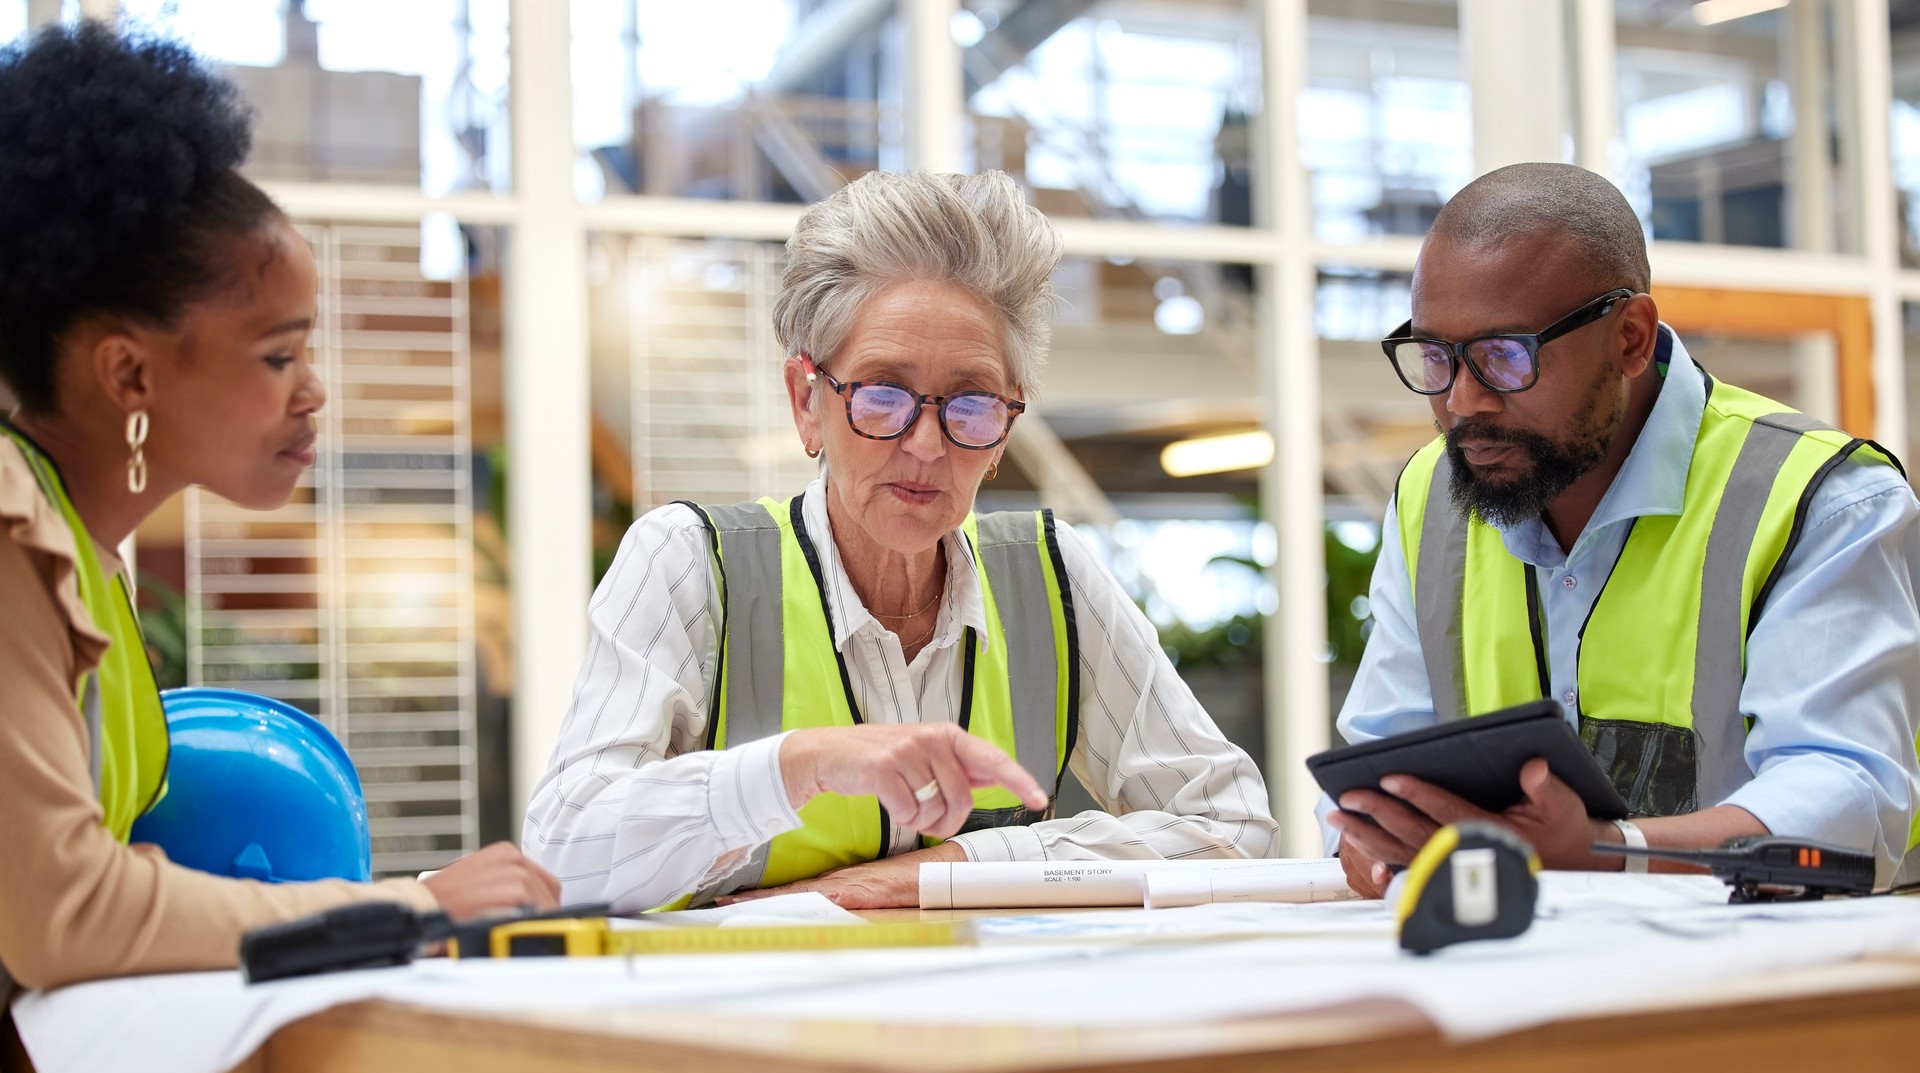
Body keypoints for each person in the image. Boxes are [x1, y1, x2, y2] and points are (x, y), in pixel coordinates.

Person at [524, 169, 1279, 911]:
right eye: (882, 395)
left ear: (1005, 429)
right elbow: (561, 856)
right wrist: (798, 766)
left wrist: (955, 868)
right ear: (807, 403)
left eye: (971, 403)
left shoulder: (1050, 576)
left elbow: (1232, 822)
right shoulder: (691, 564)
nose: (925, 444)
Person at [0, 23, 560, 1001]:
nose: (314, 393)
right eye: (277, 356)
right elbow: (68, 915)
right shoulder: (14, 541)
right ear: (129, 370)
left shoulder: (79, 549)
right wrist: (414, 905)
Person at [1329, 162, 1920, 897]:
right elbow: (1383, 763)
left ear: (1631, 339)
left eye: (1506, 356)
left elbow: (1850, 797)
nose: (1464, 401)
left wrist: (1611, 850)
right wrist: (1373, 835)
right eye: (1436, 357)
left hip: (1771, 990)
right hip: (1519, 980)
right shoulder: (1432, 495)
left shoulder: (1824, 500)